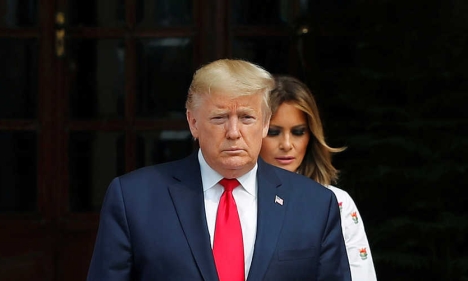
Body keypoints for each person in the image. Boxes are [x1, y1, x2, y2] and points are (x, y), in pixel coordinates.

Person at [86, 59, 351, 281]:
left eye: (247, 117)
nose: (233, 132)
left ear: (264, 123)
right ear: (193, 123)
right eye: (219, 118)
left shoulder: (315, 204)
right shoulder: (134, 198)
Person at [260, 75, 378, 281]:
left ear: (311, 135)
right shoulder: (229, 198)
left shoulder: (336, 202)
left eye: (298, 132)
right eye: (273, 132)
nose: (287, 144)